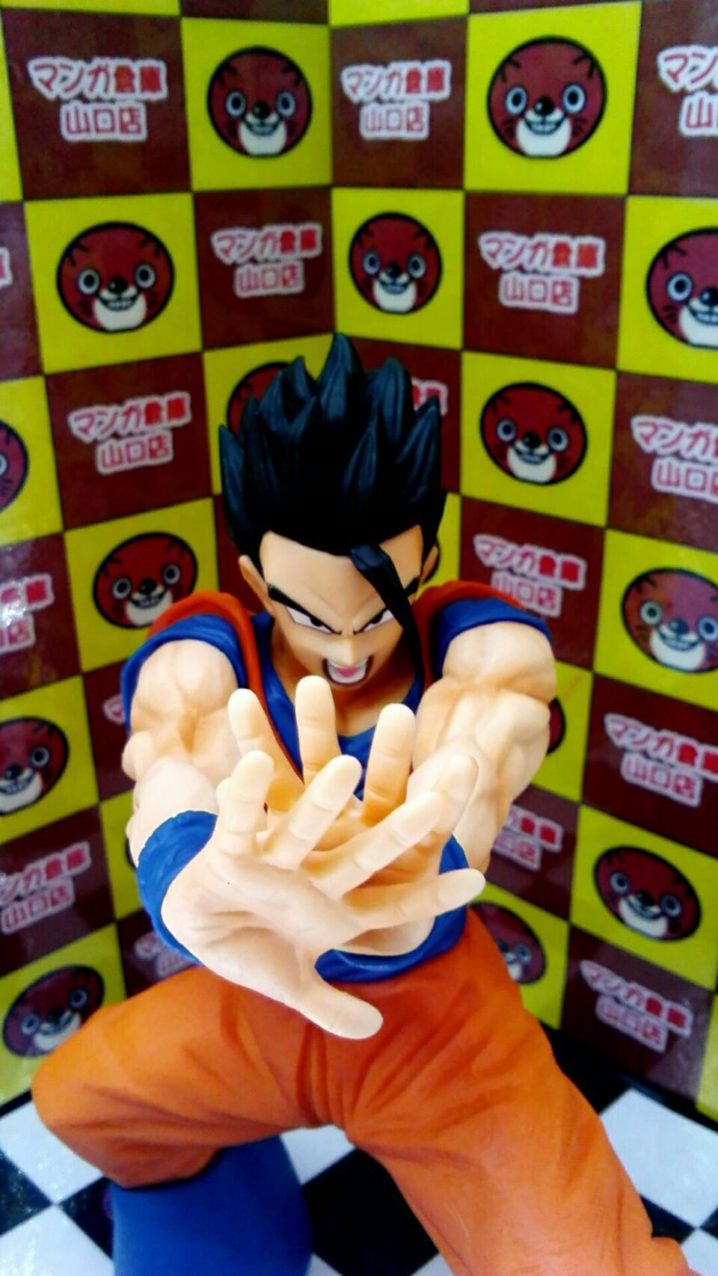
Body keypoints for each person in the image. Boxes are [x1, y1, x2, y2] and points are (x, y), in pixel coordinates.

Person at [33, 336, 695, 1275]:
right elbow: (174, 749)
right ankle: (214, 1188)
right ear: (256, 582)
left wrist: (439, 838)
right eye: (311, 616)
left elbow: (494, 721)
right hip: (259, 998)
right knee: (82, 1097)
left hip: (437, 1026)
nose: (347, 653)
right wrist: (183, 864)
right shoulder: (207, 652)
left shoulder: (473, 638)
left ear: (426, 563)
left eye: (377, 610)